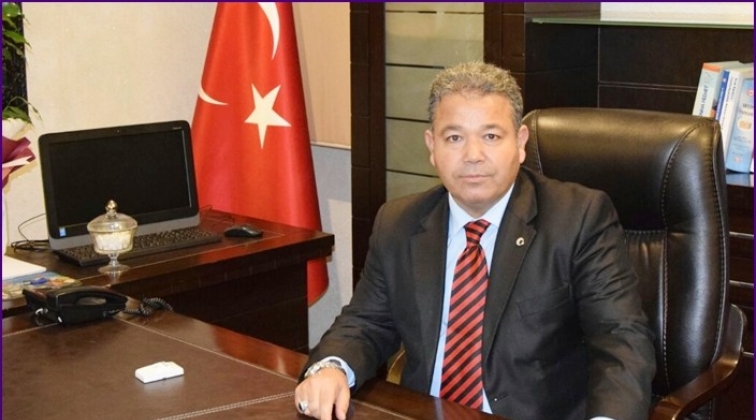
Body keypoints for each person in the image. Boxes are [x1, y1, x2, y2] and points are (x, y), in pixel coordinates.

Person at [294, 62, 656, 420]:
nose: (473, 156)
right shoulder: (399, 223)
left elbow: (621, 341)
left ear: (520, 143)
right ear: (432, 146)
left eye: (491, 136)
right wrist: (331, 369)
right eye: (454, 138)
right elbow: (365, 323)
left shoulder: (578, 218)